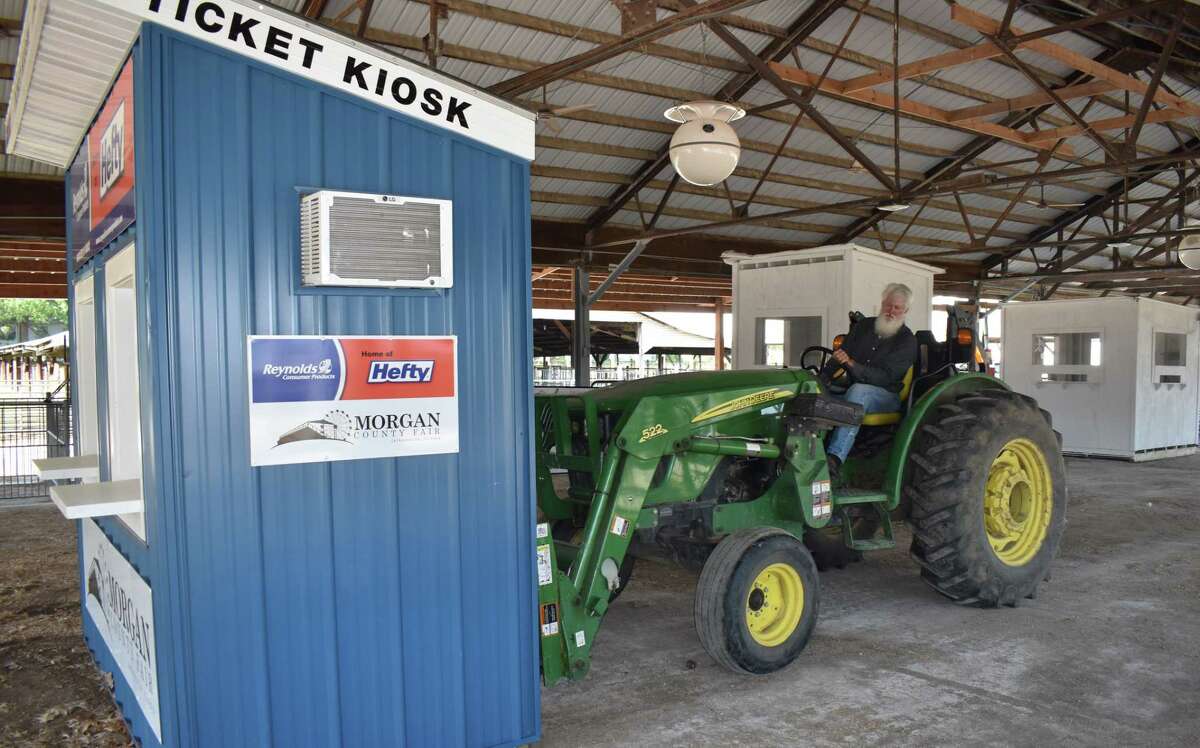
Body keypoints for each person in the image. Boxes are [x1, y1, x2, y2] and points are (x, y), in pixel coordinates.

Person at [821, 283, 918, 476]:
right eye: (888, 305)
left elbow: (885, 377)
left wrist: (852, 364)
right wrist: (822, 378)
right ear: (882, 303)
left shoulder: (907, 341)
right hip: (850, 389)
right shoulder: (863, 327)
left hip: (886, 396)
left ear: (906, 310)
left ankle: (834, 458)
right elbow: (841, 355)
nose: (891, 311)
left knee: (859, 392)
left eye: (897, 308)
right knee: (811, 389)